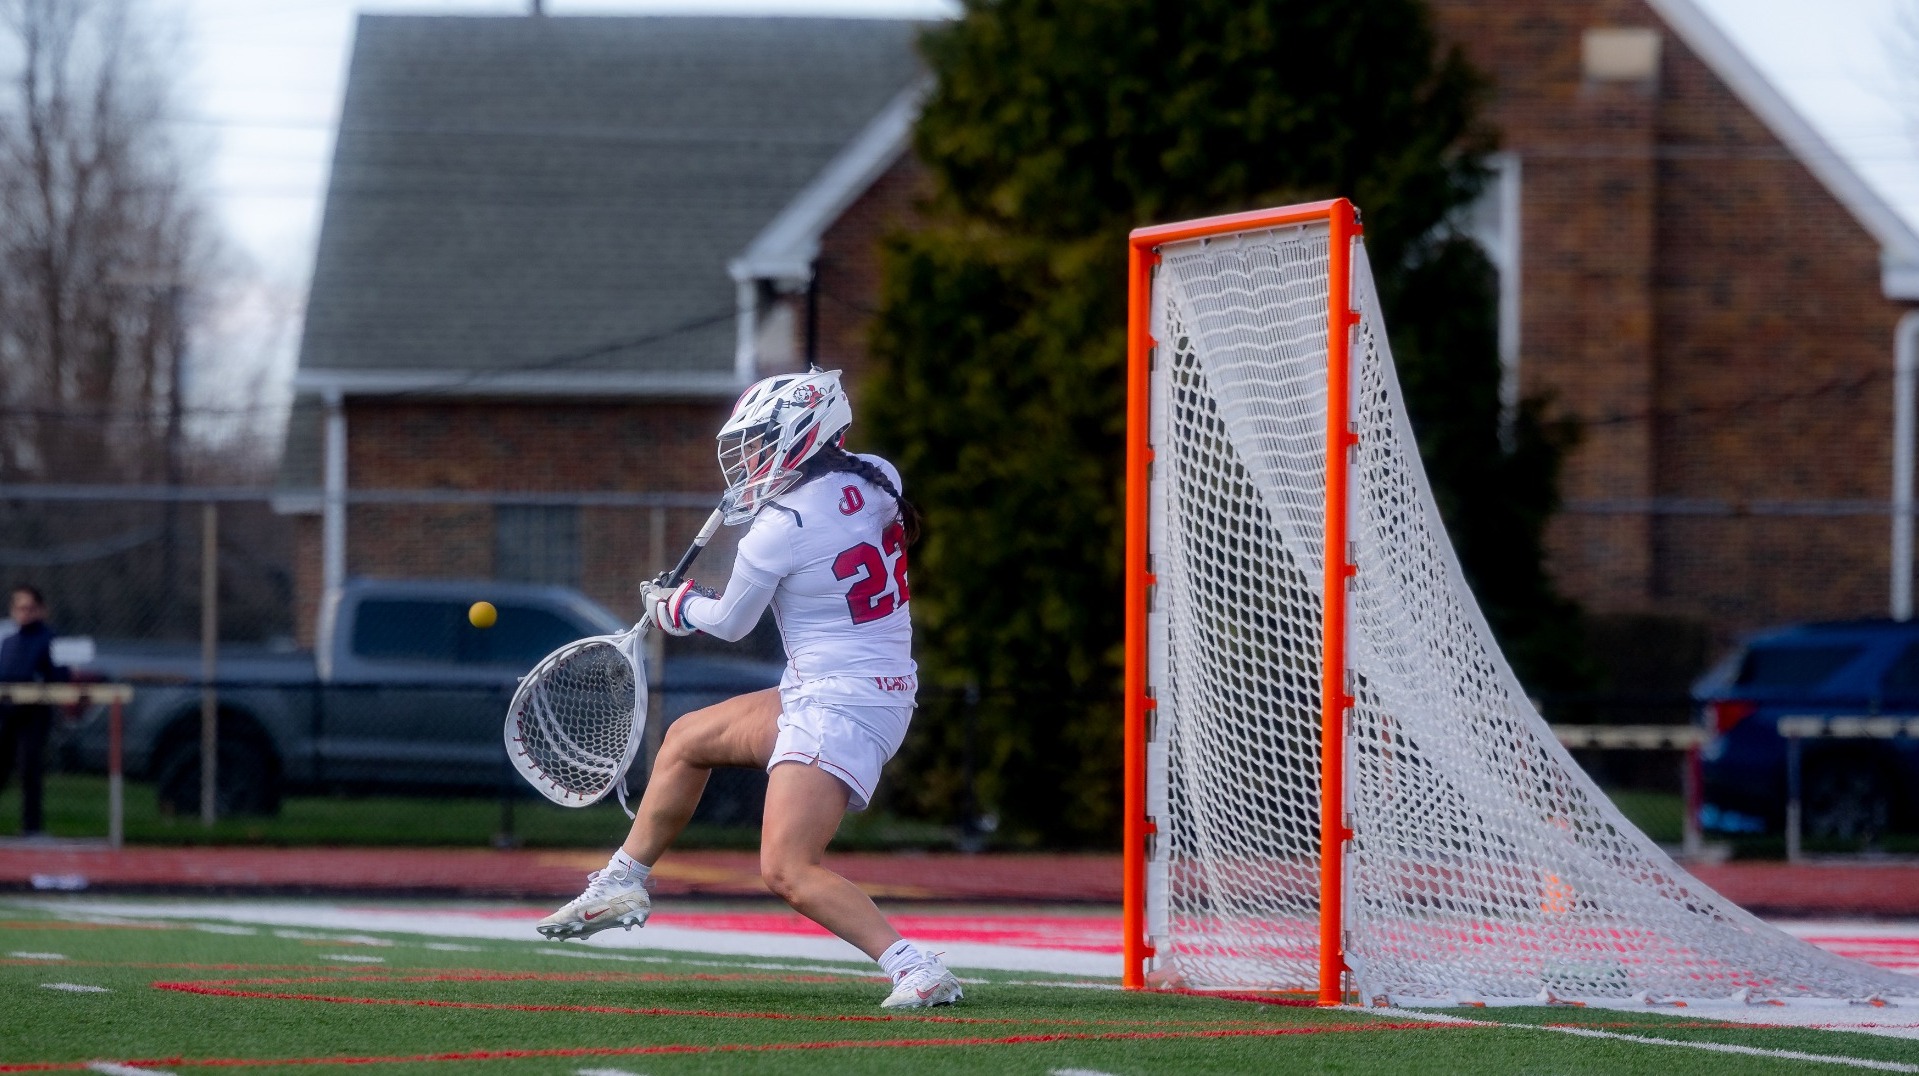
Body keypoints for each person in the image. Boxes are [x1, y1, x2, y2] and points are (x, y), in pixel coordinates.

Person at [535, 368, 961, 1011]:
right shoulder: (877, 475)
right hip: (848, 684)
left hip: (842, 702)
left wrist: (678, 607)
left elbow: (731, 623)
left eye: (764, 441)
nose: (752, 458)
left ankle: (916, 967)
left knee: (787, 869)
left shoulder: (780, 526)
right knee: (686, 740)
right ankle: (623, 880)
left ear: (804, 435)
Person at [0, 584, 68, 838]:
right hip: (6, 713)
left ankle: (32, 828)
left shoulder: (50, 640)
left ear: (41, 610)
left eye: (30, 608)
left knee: (29, 768)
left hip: (33, 714)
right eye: (19, 608)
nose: (24, 613)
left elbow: (60, 677)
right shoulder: (8, 641)